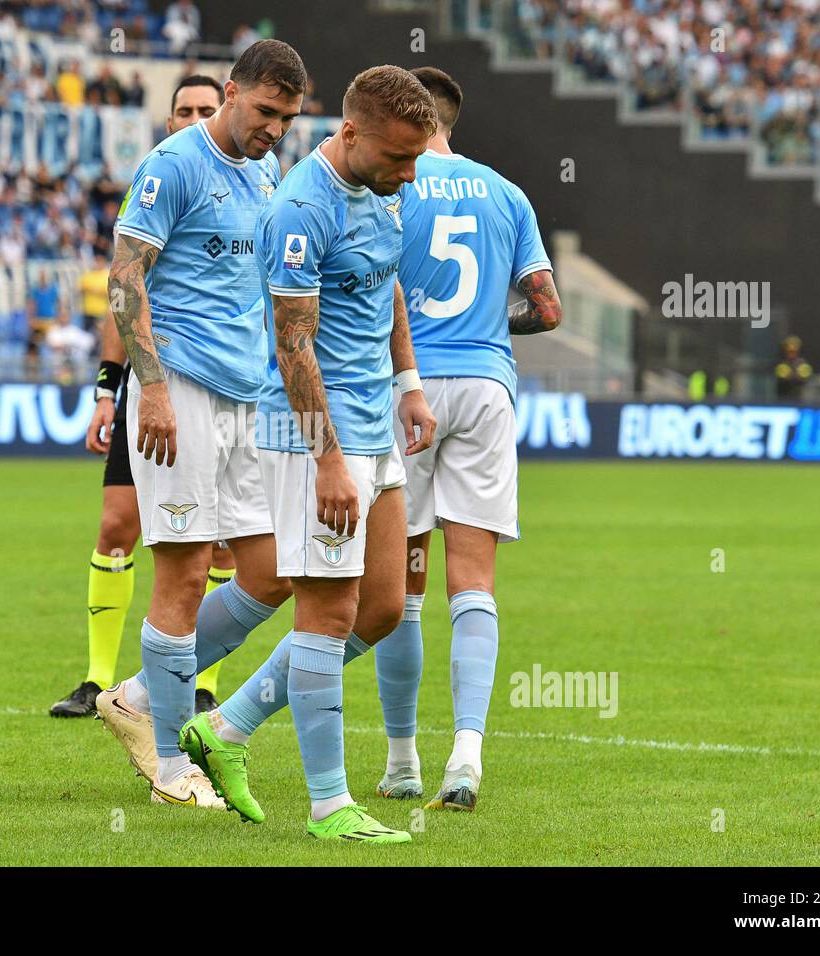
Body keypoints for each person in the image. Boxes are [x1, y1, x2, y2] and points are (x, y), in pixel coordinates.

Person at [180, 65, 439, 843]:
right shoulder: (301, 207)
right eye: (399, 156)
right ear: (351, 133)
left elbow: (387, 287)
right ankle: (330, 806)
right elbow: (293, 342)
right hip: (312, 433)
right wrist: (326, 459)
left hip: (374, 426)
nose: (411, 172)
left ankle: (223, 731)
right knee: (326, 611)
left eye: (417, 157)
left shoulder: (383, 190)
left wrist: (409, 383)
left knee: (385, 607)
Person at [93, 42, 308, 810]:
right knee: (182, 573)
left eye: (288, 117)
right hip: (177, 388)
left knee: (273, 571)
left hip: (247, 396)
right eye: (265, 112)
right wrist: (147, 390)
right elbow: (125, 279)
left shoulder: (267, 171)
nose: (276, 129)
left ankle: (141, 699)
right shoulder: (172, 166)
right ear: (232, 93)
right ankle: (174, 772)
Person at [370, 67, 561, 812]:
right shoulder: (506, 192)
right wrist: (486, 324)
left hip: (408, 386)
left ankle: (401, 760)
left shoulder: (391, 184)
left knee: (400, 586)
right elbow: (547, 310)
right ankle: (467, 758)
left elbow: (371, 291)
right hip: (486, 385)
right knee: (473, 581)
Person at [50, 75, 232, 720]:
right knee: (115, 526)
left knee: (222, 544)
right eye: (181, 108)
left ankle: (203, 679)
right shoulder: (160, 184)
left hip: (226, 389)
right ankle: (99, 681)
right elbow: (125, 291)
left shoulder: (247, 185)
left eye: (204, 109)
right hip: (152, 387)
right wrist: (108, 388)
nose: (191, 118)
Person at [774, 335, 813, 400]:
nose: (791, 355)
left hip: (801, 398)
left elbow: (803, 378)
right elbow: (783, 378)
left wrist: (794, 375)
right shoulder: (781, 365)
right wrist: (794, 375)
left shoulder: (804, 365)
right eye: (789, 352)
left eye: (794, 352)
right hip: (783, 397)